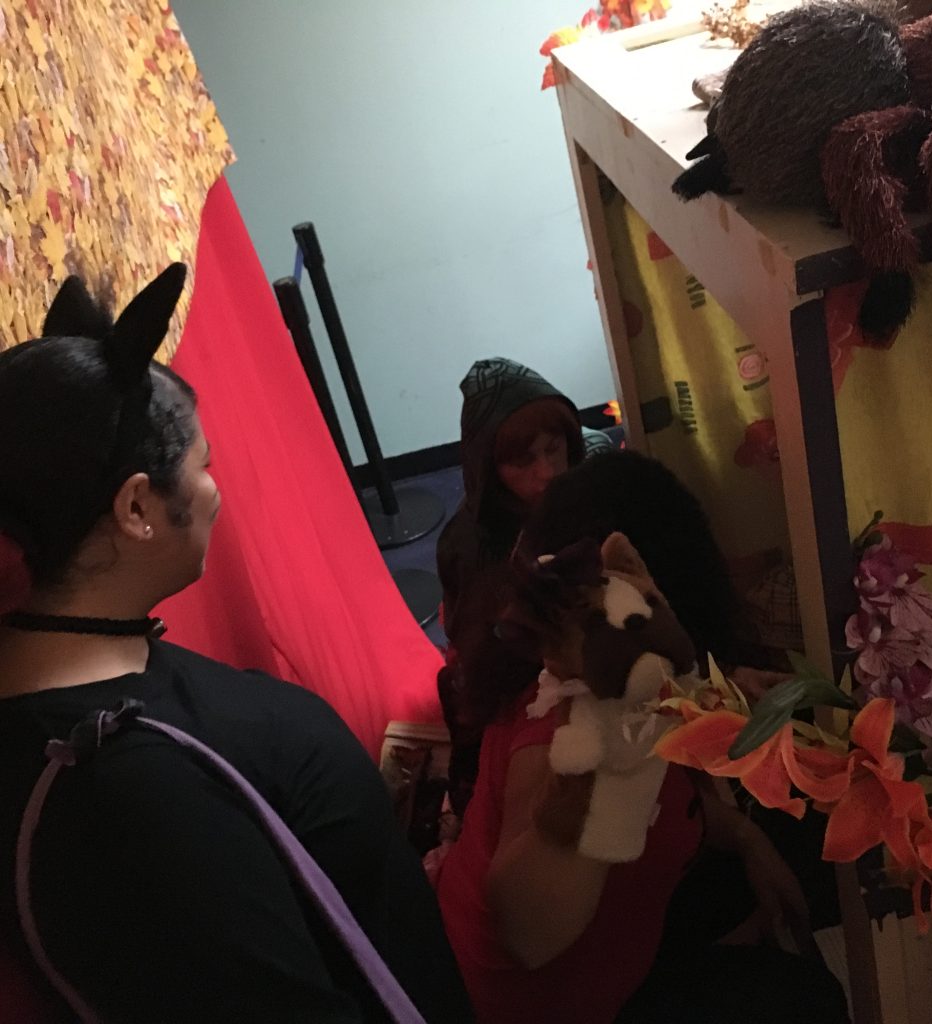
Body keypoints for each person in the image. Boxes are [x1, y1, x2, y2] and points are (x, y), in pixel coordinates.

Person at [0, 267, 472, 1023]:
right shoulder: (127, 810)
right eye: (201, 466)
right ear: (137, 507)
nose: (215, 489)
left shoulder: (95, 664)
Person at [435, 454, 850, 1024]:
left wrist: (747, 837)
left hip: (591, 958)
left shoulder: (599, 681)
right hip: (536, 1005)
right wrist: (619, 743)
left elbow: (670, 783)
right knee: (809, 999)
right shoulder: (565, 724)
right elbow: (528, 932)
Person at [436, 357, 611, 815]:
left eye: (554, 449)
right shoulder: (472, 546)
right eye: (523, 461)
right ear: (492, 470)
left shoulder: (598, 477)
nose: (547, 472)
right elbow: (480, 670)